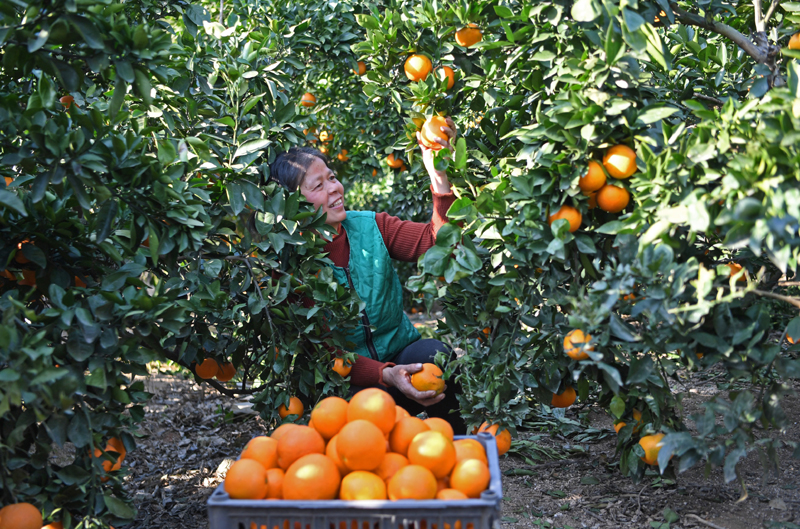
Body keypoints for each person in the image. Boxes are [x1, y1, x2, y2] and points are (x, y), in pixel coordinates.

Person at [268, 117, 465, 434]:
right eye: (318, 186)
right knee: (361, 430)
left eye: (332, 177)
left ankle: (459, 446)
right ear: (292, 205)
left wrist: (438, 176)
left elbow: (441, 246)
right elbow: (322, 352)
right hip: (352, 386)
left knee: (435, 357)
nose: (335, 188)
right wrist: (385, 373)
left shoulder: (371, 226)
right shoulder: (292, 267)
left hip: (404, 356)